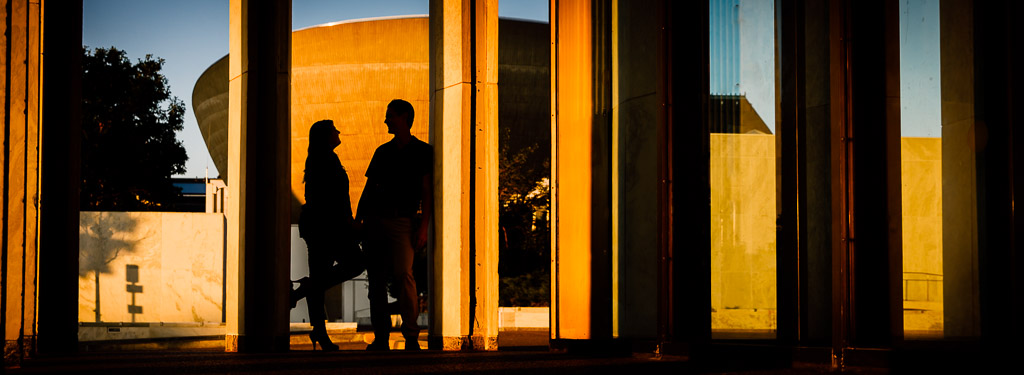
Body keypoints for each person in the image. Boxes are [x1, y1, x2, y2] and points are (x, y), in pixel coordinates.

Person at [357, 99, 433, 351]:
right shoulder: (383, 152)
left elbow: (426, 191)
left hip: (403, 221)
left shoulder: (423, 151)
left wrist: (423, 227)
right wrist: (360, 218)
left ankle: (411, 335)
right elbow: (369, 188)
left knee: (404, 276)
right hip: (378, 221)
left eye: (390, 116)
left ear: (404, 118)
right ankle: (381, 337)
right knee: (377, 280)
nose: (385, 120)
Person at [293, 119, 364, 351]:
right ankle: (319, 327)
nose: (339, 131)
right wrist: (349, 224)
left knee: (320, 279)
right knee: (355, 263)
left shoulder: (324, 159)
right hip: (326, 229)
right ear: (325, 136)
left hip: (323, 228)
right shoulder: (323, 160)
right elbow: (331, 200)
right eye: (334, 129)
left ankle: (309, 301)